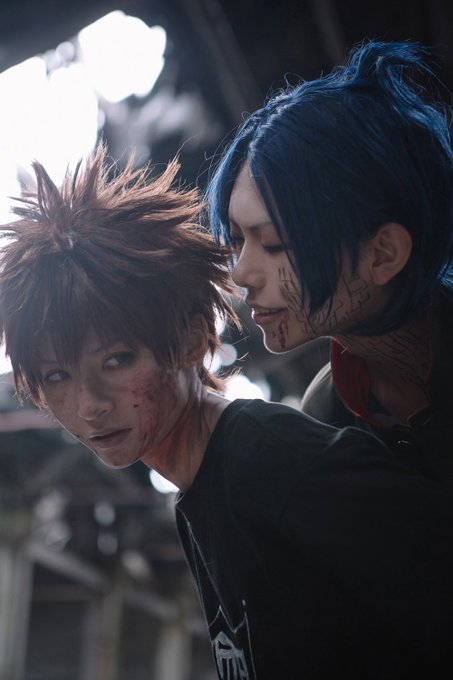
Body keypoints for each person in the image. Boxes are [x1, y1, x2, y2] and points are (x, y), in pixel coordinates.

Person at [1, 144, 453, 679]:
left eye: (118, 360)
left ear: (193, 339)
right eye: (57, 377)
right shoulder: (205, 488)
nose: (90, 404)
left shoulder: (275, 465)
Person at [205, 39, 453, 476]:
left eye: (274, 242)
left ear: (383, 254)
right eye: (238, 240)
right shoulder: (325, 417)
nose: (241, 274)